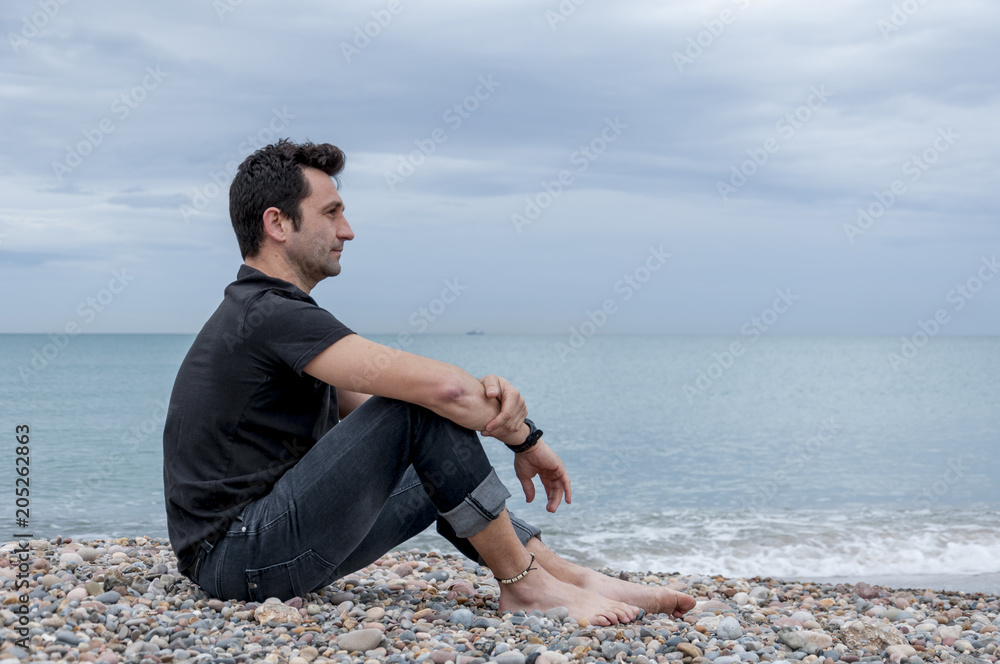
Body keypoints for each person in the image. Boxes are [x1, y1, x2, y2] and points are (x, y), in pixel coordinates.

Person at [162, 139, 694, 626]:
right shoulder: (269, 313)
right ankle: (525, 586)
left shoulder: (265, 312)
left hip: (255, 555)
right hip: (239, 559)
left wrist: (477, 408)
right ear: (278, 224)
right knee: (418, 408)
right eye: (332, 213)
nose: (347, 230)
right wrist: (524, 438)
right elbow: (434, 396)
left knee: (426, 434)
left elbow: (383, 410)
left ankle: (567, 577)